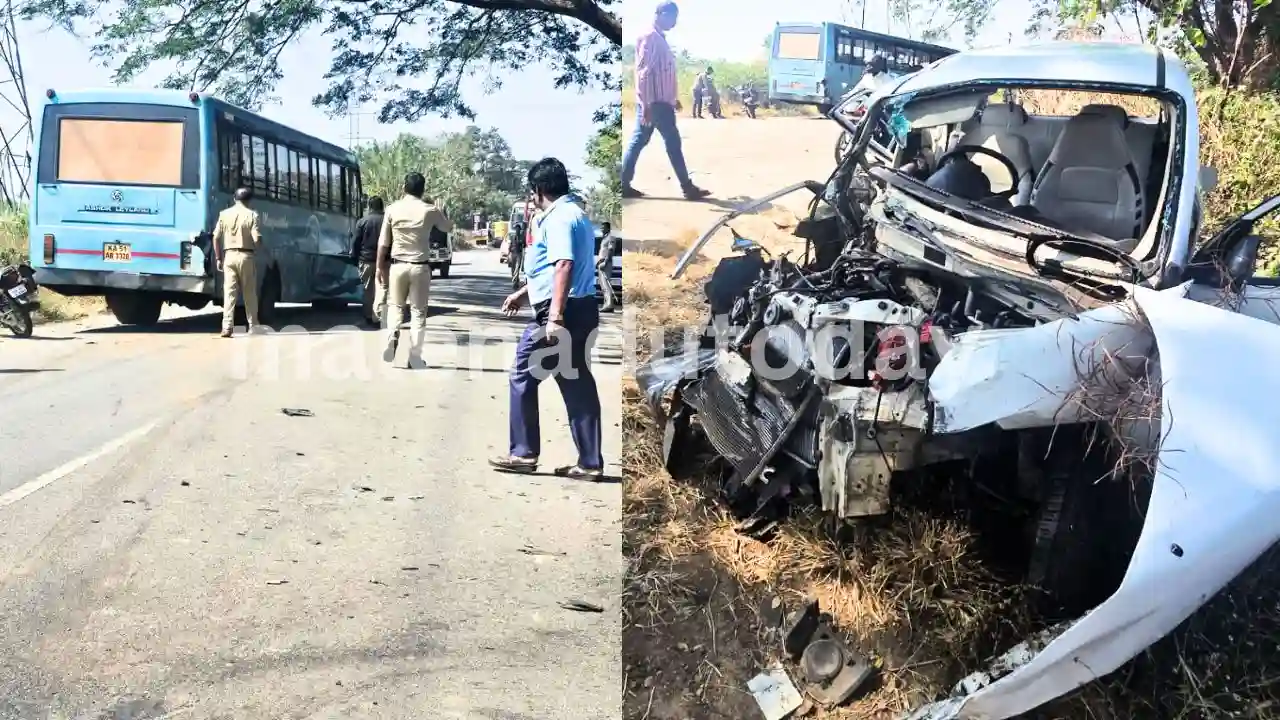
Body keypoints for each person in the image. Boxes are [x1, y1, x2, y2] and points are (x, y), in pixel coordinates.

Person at [489, 158, 604, 480]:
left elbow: (564, 265)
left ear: (538, 190)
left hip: (559, 314)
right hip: (582, 308)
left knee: (522, 376)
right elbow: (556, 268)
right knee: (577, 382)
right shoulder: (577, 214)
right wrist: (524, 292)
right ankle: (590, 462)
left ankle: (523, 453)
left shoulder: (556, 219)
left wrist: (554, 317)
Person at [620, 1, 710, 201]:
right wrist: (647, 105)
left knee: (640, 141)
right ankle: (688, 188)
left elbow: (662, 73)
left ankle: (623, 184)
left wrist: (673, 98)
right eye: (673, 17)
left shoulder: (659, 37)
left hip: (661, 102)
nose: (675, 22)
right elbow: (644, 74)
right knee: (672, 142)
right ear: (661, 14)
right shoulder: (651, 37)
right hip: (656, 105)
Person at [375, 172, 452, 366]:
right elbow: (447, 228)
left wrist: (378, 267)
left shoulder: (392, 209)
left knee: (395, 307)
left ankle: (392, 334)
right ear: (422, 190)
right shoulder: (429, 210)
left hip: (397, 266)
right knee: (418, 313)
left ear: (404, 188)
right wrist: (443, 212)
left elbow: (383, 243)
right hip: (420, 268)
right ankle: (415, 357)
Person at [211, 187, 263, 338]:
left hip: (229, 256)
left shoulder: (224, 214)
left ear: (235, 199)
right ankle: (253, 326)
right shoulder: (252, 215)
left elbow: (215, 237)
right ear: (248, 200)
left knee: (229, 294)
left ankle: (227, 327)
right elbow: (257, 239)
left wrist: (219, 258)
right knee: (249, 293)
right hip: (246, 256)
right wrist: (260, 247)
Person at [350, 195, 386, 327]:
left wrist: (354, 258)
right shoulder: (386, 221)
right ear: (382, 206)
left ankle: (368, 316)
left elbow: (355, 243)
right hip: (384, 262)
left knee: (367, 290)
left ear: (369, 207)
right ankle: (380, 316)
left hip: (366, 261)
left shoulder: (362, 222)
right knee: (382, 290)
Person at [596, 221, 618, 313]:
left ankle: (609, 304)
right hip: (601, 263)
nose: (601, 229)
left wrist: (605, 262)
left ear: (608, 228)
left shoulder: (611, 238)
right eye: (601, 228)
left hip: (606, 263)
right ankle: (607, 304)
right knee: (603, 285)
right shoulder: (604, 239)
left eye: (603, 227)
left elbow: (610, 250)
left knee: (606, 284)